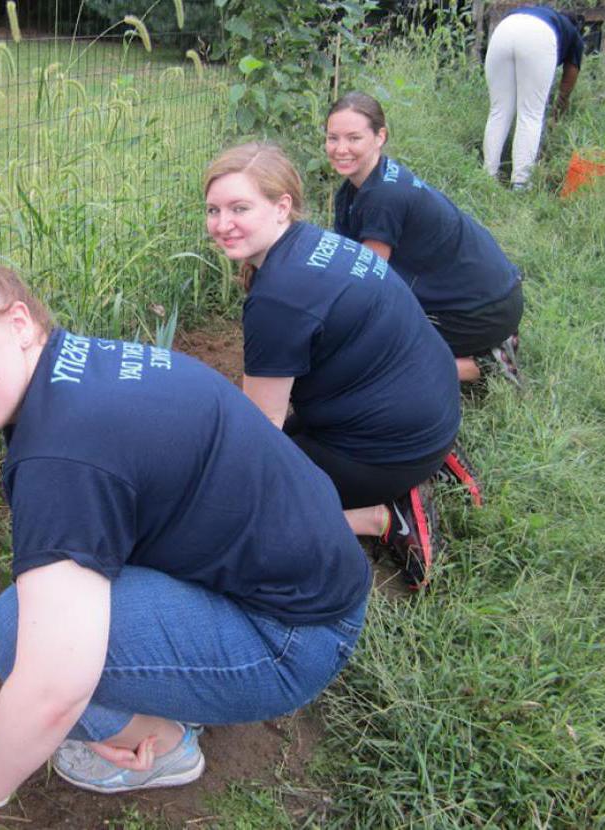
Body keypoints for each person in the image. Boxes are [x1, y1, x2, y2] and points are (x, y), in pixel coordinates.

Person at [0, 256, 371, 830]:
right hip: (315, 580)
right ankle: (176, 688)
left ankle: (163, 746)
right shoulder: (80, 366)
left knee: (19, 632)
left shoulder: (60, 455)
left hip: (291, 639)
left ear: (18, 324)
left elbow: (52, 688)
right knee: (54, 599)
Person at [204, 142, 461, 586]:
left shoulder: (279, 298)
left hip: (393, 449)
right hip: (429, 413)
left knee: (232, 511)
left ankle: (380, 517)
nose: (222, 225)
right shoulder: (315, 242)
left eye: (239, 208)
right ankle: (398, 476)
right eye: (213, 210)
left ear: (281, 206)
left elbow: (262, 429)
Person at [326, 92, 524, 387]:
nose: (341, 149)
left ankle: (484, 366)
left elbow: (366, 280)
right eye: (333, 138)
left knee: (373, 360)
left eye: (354, 138)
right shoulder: (358, 186)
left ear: (380, 137)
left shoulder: (383, 197)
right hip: (489, 295)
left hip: (480, 310)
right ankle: (485, 343)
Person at [483, 6, 584, 190]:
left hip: (504, 29)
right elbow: (571, 74)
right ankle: (520, 183)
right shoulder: (573, 34)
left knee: (498, 111)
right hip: (539, 36)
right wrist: (560, 106)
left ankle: (487, 177)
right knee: (530, 114)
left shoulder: (544, 13)